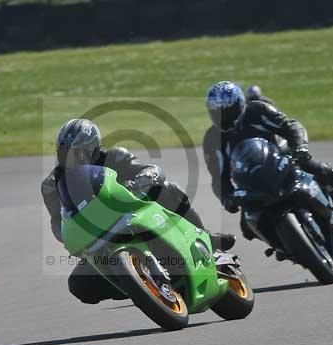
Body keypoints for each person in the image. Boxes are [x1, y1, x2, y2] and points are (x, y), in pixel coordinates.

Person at [42, 118, 236, 304]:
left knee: (167, 188)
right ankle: (139, 284)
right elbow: (57, 222)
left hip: (133, 212)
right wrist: (68, 238)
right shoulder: (52, 185)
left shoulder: (115, 156)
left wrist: (141, 181)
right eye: (64, 153)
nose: (71, 159)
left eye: (77, 153)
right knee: (79, 286)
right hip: (98, 237)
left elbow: (151, 170)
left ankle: (206, 240)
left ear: (93, 147)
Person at [202, 81, 333, 241]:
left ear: (240, 104)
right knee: (248, 229)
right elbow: (218, 178)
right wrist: (227, 198)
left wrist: (300, 148)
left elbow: (290, 126)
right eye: (217, 113)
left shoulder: (257, 110)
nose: (224, 118)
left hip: (281, 160)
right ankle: (284, 245)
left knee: (325, 172)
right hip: (249, 183)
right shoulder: (212, 140)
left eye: (228, 111)